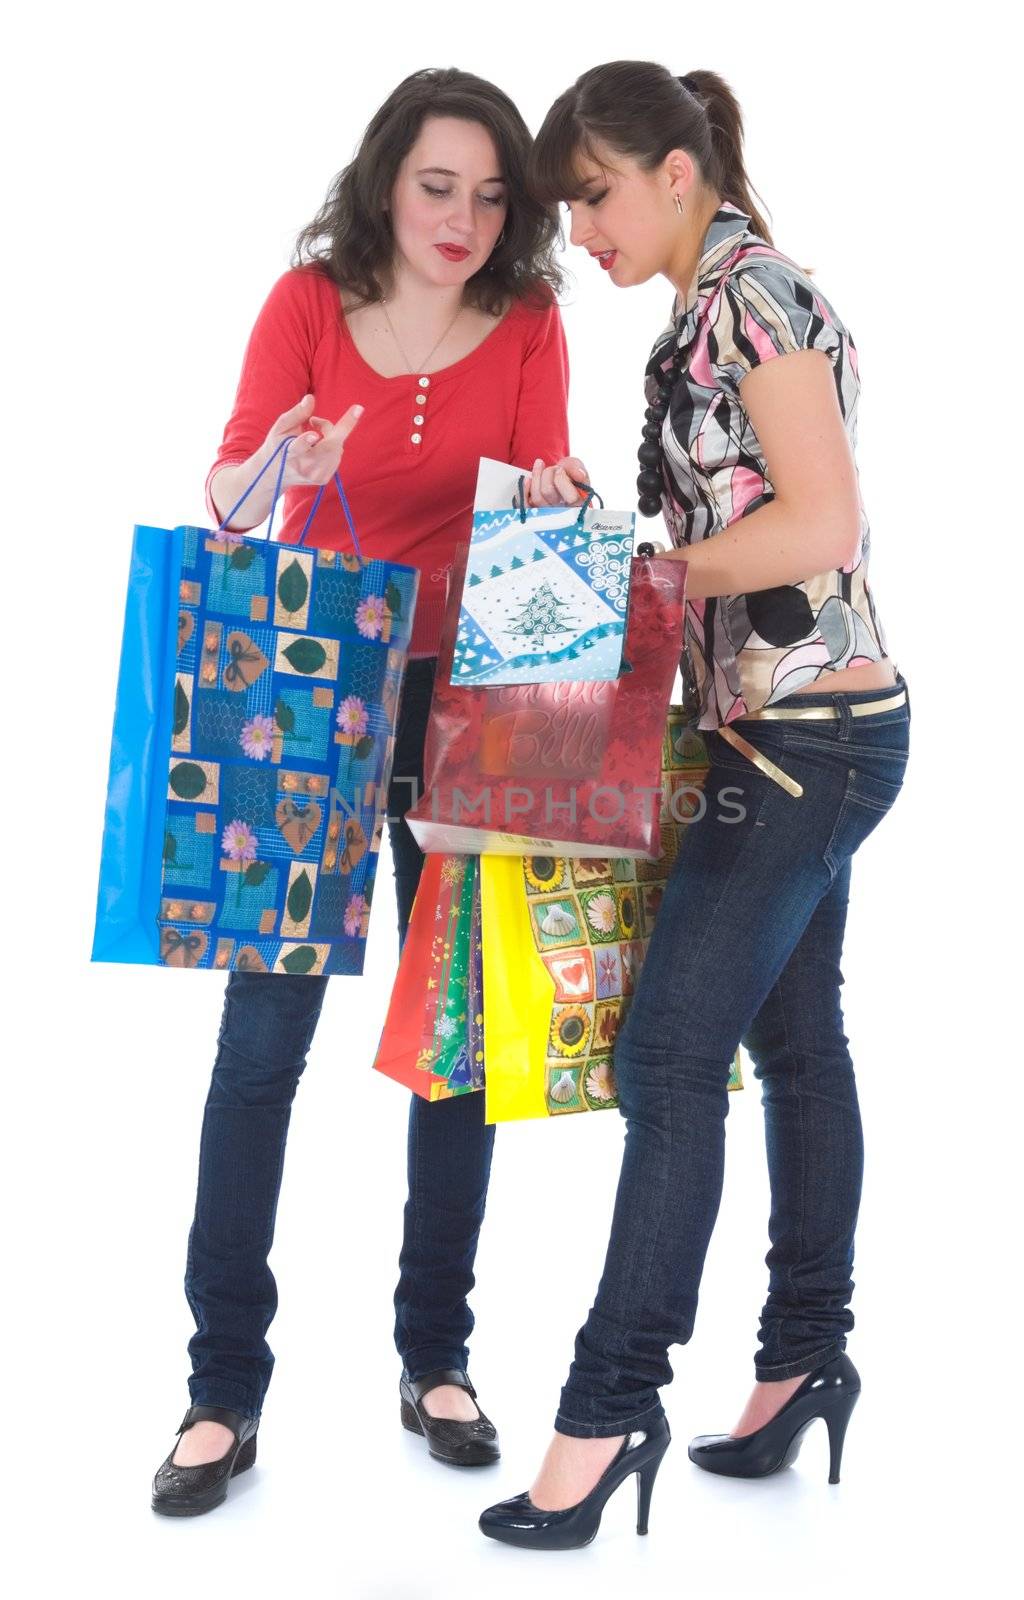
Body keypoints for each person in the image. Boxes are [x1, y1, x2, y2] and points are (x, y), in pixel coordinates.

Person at [479, 61, 910, 1551]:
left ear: (677, 169)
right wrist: (605, 532)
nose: (578, 230)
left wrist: (639, 570)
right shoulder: (699, 308)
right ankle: (803, 1360)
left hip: (810, 739)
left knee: (669, 1063)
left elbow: (821, 518)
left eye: (590, 194)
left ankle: (607, 1410)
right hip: (789, 730)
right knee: (795, 1045)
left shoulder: (757, 294)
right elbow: (733, 525)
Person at [151, 66, 577, 1518]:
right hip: (303, 692)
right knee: (263, 1038)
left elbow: (532, 527)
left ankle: (435, 1358)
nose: (461, 218)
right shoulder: (308, 305)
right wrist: (288, 454)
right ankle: (221, 1391)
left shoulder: (530, 322)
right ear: (388, 176)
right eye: (436, 184)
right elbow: (226, 502)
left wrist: (561, 497)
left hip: (471, 705)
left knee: (454, 1034)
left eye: (490, 194)